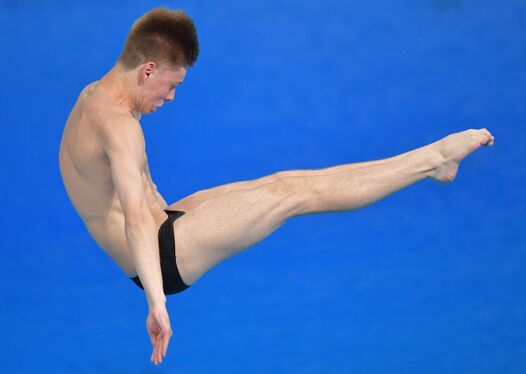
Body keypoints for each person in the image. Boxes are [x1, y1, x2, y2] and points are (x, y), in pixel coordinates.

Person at [58, 6, 494, 366]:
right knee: (295, 195)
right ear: (148, 69)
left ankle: (433, 162)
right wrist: (157, 302)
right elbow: (134, 218)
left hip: (163, 227)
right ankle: (434, 161)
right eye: (171, 85)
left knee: (282, 183)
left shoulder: (94, 98)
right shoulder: (119, 126)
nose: (170, 98)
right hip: (163, 255)